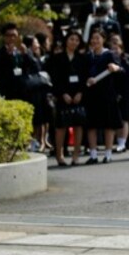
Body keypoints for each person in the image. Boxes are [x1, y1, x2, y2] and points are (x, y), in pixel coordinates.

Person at [47, 32, 88, 166]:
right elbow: (54, 78)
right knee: (61, 127)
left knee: (78, 125)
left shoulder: (82, 58)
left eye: (77, 40)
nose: (74, 42)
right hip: (62, 95)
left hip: (78, 95)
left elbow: (85, 77)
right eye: (71, 39)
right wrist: (62, 93)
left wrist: (81, 92)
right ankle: (60, 155)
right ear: (66, 41)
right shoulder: (56, 58)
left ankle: (76, 155)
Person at [83, 29, 123, 164]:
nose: (95, 41)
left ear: (103, 40)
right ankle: (93, 154)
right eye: (93, 38)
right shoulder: (88, 57)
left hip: (107, 94)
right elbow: (83, 73)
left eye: (97, 38)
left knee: (108, 125)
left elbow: (121, 70)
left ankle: (108, 154)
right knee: (91, 126)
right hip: (92, 95)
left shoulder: (110, 55)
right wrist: (87, 80)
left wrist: (115, 68)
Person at [0, 23, 33, 101]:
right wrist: (7, 56)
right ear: (4, 37)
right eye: (9, 35)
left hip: (23, 90)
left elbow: (33, 67)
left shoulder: (22, 51)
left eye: (14, 35)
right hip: (6, 92)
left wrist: (25, 54)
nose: (12, 38)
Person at [109, 35, 129, 154]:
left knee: (124, 118)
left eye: (117, 44)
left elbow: (128, 75)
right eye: (112, 44)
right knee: (116, 118)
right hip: (112, 91)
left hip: (124, 92)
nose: (114, 47)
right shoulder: (109, 58)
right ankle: (118, 141)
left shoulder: (126, 59)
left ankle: (122, 143)